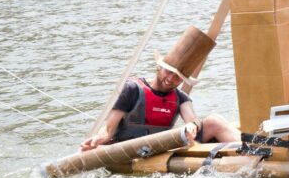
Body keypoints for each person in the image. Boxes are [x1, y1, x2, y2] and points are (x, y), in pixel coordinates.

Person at [81, 26, 240, 151]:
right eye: (168, 72)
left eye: (177, 77)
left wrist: (193, 125)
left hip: (161, 148)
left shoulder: (181, 97)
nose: (171, 79)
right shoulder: (132, 89)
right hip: (127, 148)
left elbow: (192, 118)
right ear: (159, 67)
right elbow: (109, 128)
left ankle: (256, 149)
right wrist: (97, 140)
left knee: (214, 121)